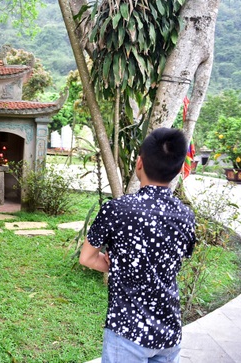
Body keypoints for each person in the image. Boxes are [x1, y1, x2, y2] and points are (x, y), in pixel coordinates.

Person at [79, 128, 196, 363]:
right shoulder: (186, 215)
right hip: (170, 332)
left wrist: (121, 266)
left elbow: (87, 258)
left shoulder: (116, 210)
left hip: (127, 332)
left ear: (139, 162)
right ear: (177, 170)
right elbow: (174, 261)